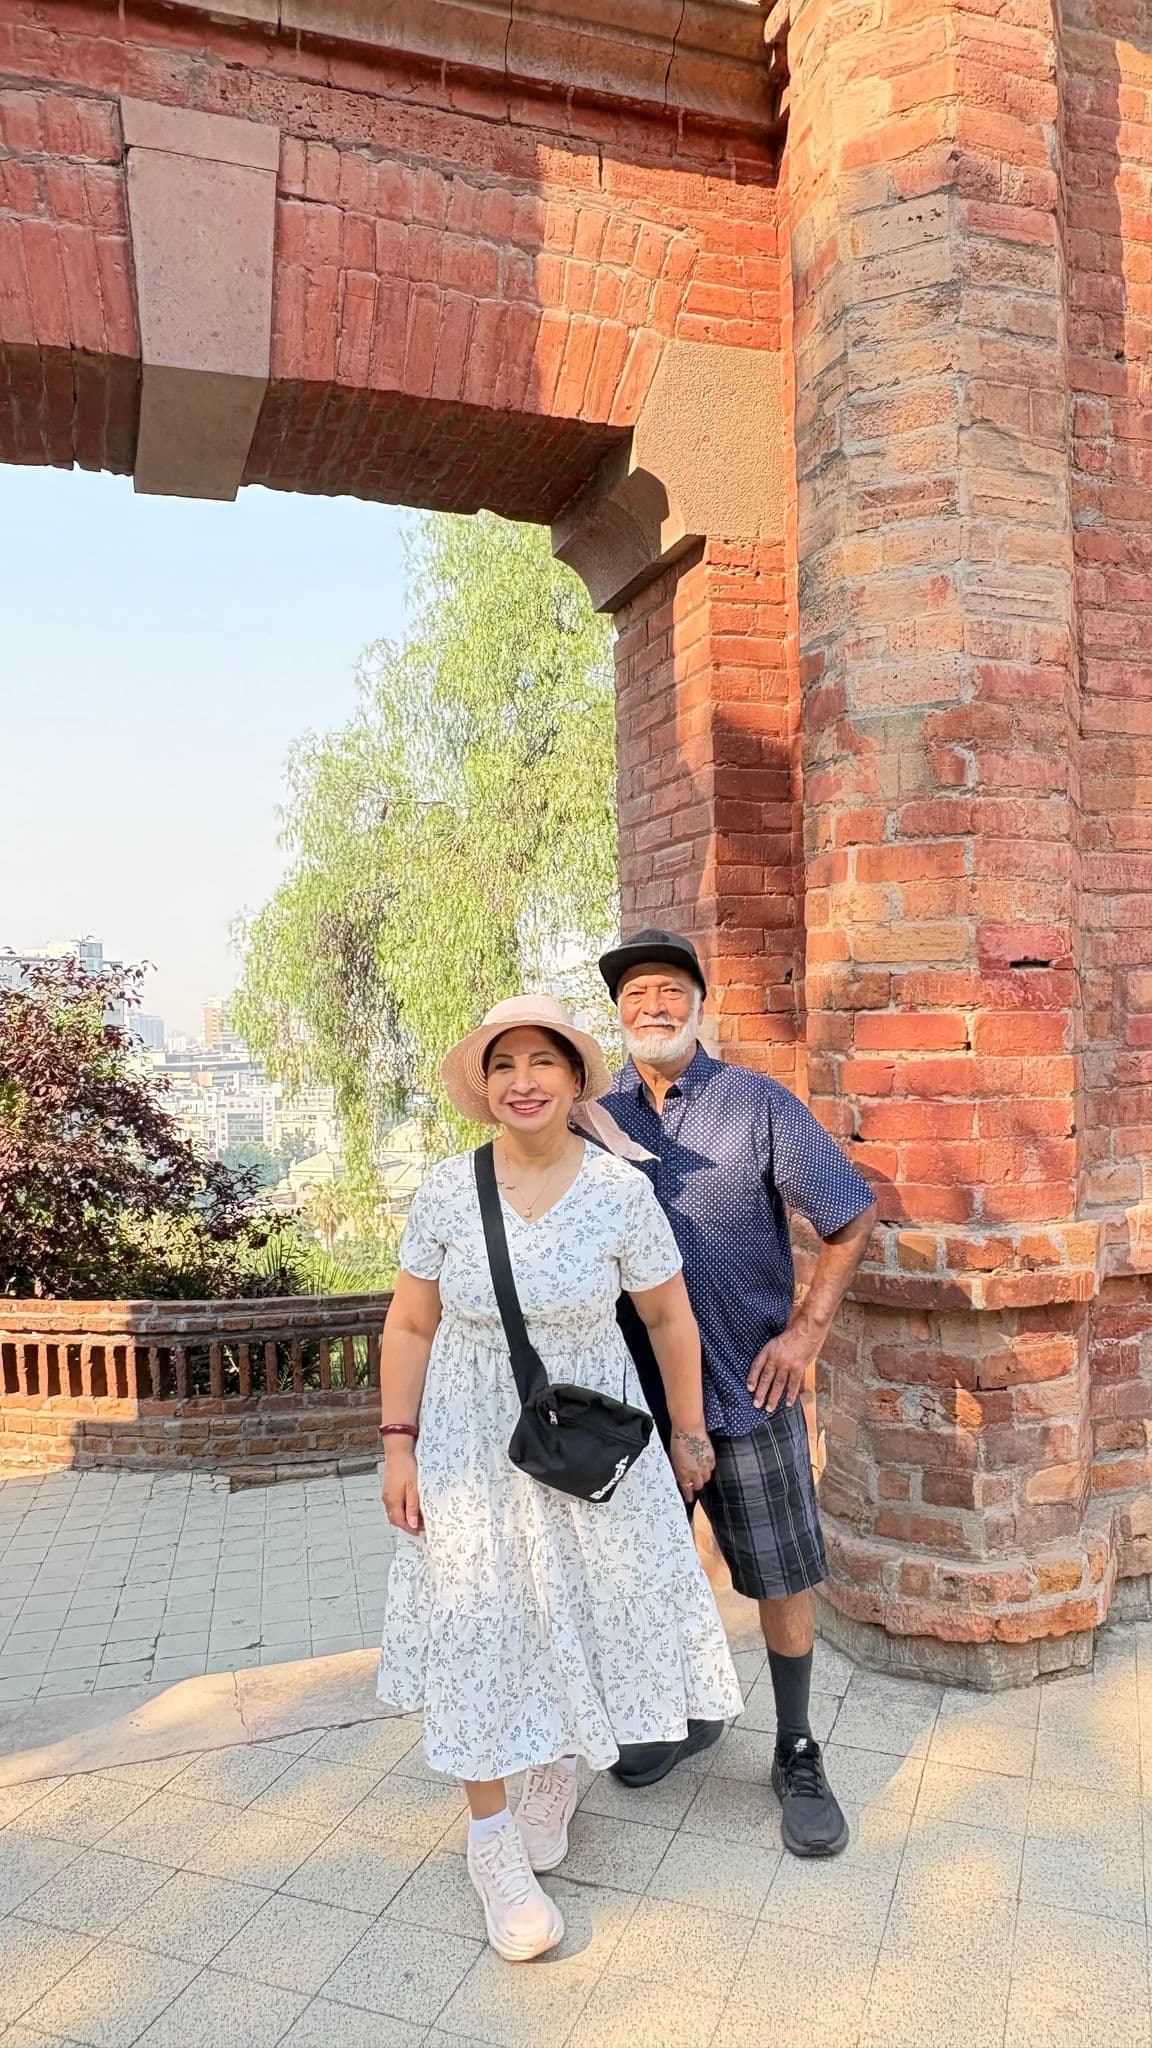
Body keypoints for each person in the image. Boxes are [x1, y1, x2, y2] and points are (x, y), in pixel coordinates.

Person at [375, 994, 743, 1963]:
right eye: (505, 1064)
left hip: (588, 1446)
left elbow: (670, 1320)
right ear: (485, 1085)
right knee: (481, 1626)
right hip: (466, 1447)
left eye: (544, 1061)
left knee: (577, 1607)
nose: (524, 1079)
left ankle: (555, 1765)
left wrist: (689, 1431)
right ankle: (491, 1842)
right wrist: (397, 1443)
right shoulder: (450, 1191)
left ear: (577, 1081)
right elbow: (410, 1325)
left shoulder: (621, 1191)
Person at [596, 928, 877, 1859]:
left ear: (699, 1001)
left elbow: (848, 1212)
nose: (653, 1007)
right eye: (635, 995)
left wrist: (808, 1331)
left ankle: (796, 1747)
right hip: (637, 1411)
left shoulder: (757, 1105)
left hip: (749, 1393)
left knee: (781, 1576)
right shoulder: (595, 1123)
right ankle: (686, 1716)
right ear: (619, 1015)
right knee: (647, 1575)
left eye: (669, 989)